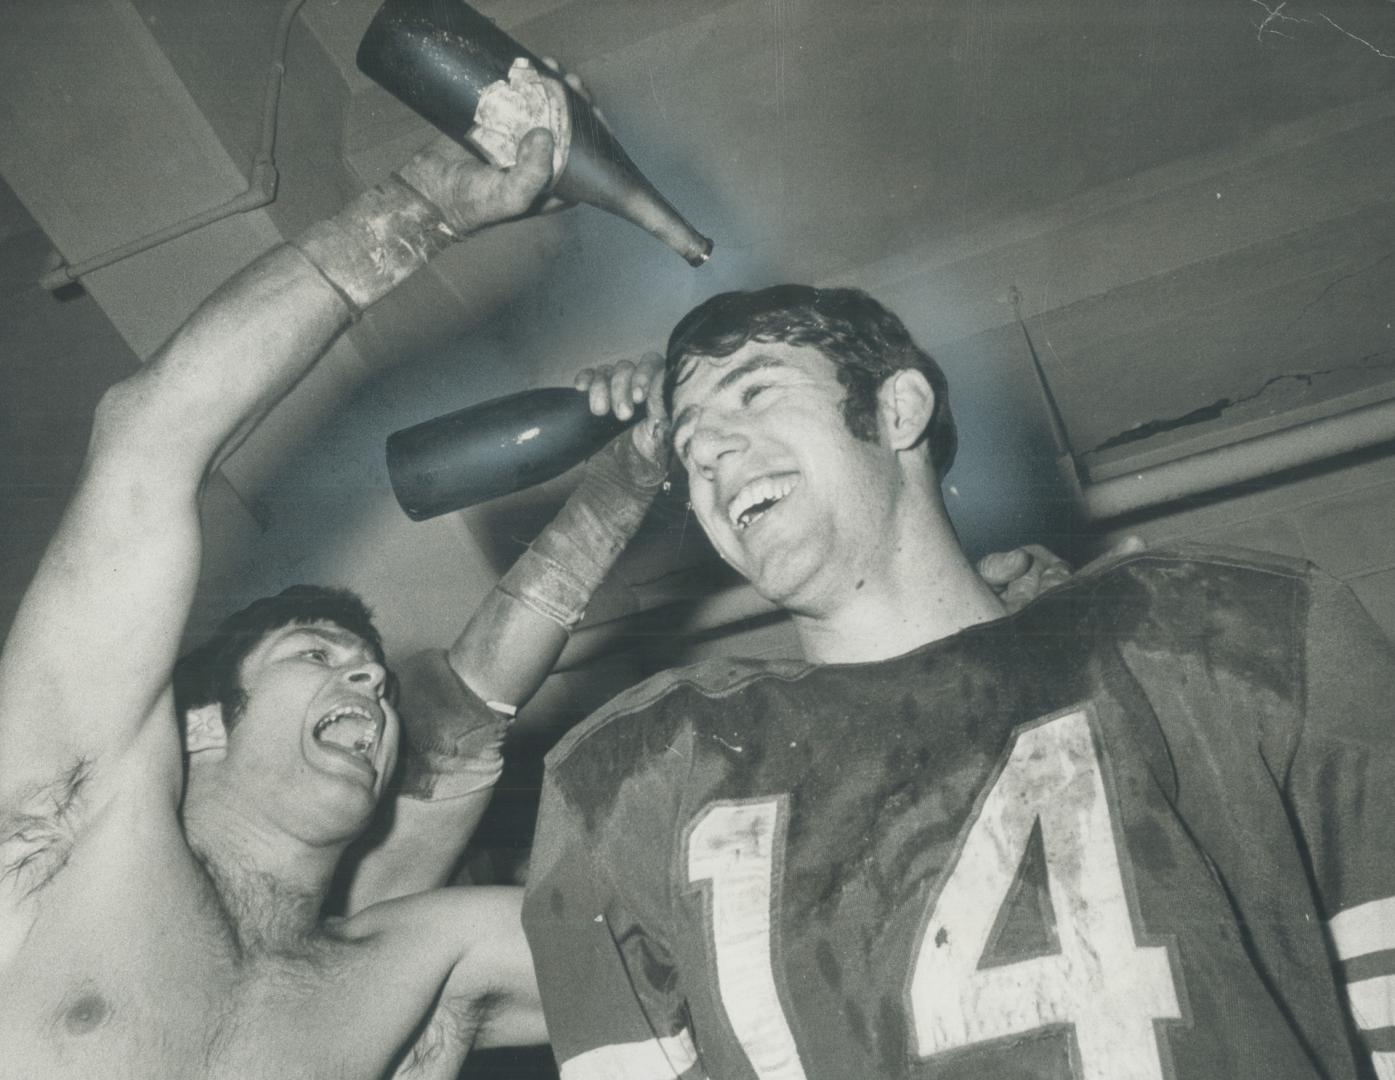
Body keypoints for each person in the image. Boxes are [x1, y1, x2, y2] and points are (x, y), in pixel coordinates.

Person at [522, 285, 1395, 1080]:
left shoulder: (1216, 632)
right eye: (687, 441)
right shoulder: (640, 776)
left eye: (755, 392)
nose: (706, 449)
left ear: (897, 408)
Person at [0, 65, 608, 1073]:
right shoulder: (74, 822)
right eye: (320, 652)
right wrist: (416, 212)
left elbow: (725, 927)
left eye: (365, 666)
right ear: (203, 724)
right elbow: (148, 442)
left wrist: (655, 465)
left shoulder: (423, 964)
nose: (371, 677)